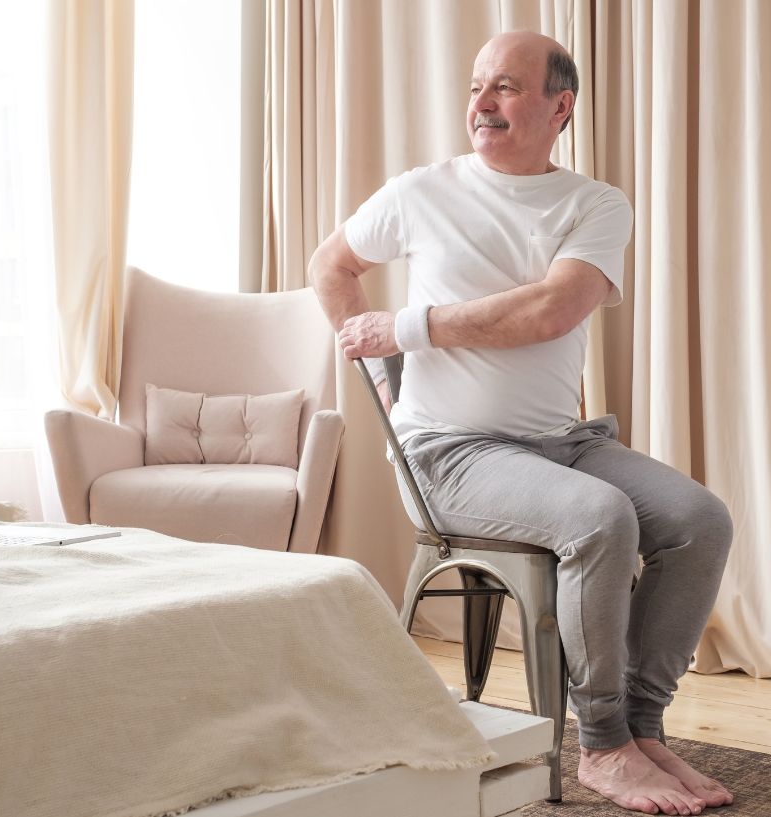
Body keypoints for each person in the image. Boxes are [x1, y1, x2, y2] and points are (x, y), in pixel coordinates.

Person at [310, 30, 734, 816]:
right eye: (476, 87)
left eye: (504, 87)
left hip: (563, 445)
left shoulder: (595, 204)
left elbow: (551, 309)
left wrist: (403, 330)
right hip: (448, 454)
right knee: (601, 519)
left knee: (700, 520)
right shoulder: (421, 191)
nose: (481, 103)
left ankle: (643, 725)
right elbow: (329, 265)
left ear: (559, 106)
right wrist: (379, 378)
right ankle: (604, 744)